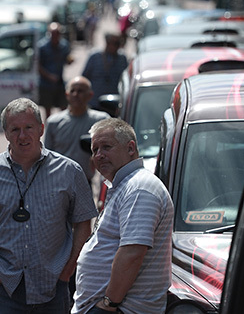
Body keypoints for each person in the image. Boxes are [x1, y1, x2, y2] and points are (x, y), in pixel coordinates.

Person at [0, 98, 98, 313]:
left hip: (53, 288)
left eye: (28, 128)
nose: (22, 136)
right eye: (15, 129)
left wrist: (68, 269)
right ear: (6, 133)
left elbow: (83, 223)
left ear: (41, 129)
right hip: (4, 291)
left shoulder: (69, 171)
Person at [73, 118, 174, 314]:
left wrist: (109, 303)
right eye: (95, 150)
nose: (99, 155)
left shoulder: (140, 188)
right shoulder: (126, 186)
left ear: (130, 148)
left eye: (106, 147)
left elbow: (132, 253)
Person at [44, 76, 110, 191]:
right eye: (72, 91)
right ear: (66, 94)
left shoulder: (101, 121)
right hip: (58, 185)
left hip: (85, 184)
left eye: (80, 91)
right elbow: (46, 157)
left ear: (90, 95)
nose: (76, 94)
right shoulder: (53, 122)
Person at [81, 32, 128, 111]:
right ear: (107, 43)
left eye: (119, 43)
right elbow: (85, 77)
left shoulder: (122, 58)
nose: (117, 46)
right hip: (95, 103)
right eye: (115, 43)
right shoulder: (95, 56)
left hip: (114, 104)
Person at [38, 22, 74, 120]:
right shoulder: (42, 47)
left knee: (63, 108)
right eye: (53, 33)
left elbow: (67, 58)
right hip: (46, 83)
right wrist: (49, 76)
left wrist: (69, 60)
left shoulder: (64, 45)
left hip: (59, 82)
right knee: (48, 110)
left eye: (57, 33)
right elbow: (38, 66)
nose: (55, 36)